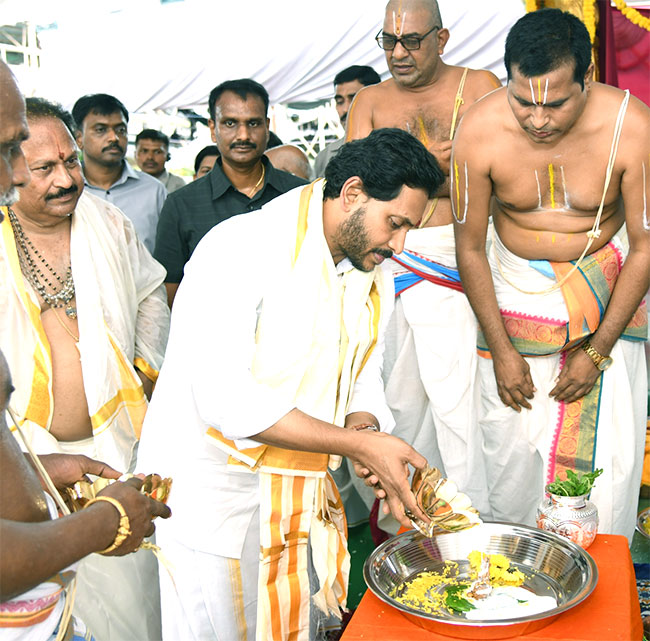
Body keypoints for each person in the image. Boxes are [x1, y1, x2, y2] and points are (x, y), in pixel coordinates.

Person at [137, 128, 444, 641]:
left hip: (296, 494)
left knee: (290, 624)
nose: (399, 244)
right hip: (216, 503)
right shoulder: (239, 248)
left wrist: (365, 433)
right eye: (395, 223)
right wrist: (357, 444)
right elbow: (225, 399)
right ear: (351, 193)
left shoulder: (372, 271)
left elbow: (363, 375)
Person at [453, 8, 649, 542]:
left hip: (608, 297)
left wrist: (598, 350)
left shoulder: (633, 127)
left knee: (608, 465)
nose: (537, 119)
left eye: (556, 103)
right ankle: (517, 579)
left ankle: (600, 592)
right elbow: (469, 247)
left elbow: (647, 244)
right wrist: (502, 349)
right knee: (511, 459)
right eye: (522, 101)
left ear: (588, 79)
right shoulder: (477, 128)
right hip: (512, 306)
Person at [0, 60, 171, 641]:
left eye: (71, 160)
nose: (67, 180)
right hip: (23, 454)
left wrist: (144, 364)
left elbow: (151, 289)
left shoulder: (107, 220)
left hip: (113, 444)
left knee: (130, 597)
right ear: (11, 168)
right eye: (44, 168)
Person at [345, 0, 501, 530]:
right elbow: (356, 184)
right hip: (388, 264)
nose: (398, 52)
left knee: (464, 406)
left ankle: (470, 519)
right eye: (388, 41)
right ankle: (408, 522)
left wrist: (437, 165)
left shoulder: (478, 85)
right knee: (398, 400)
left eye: (411, 40)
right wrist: (433, 162)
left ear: (442, 37)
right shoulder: (367, 100)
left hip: (458, 262)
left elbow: (501, 169)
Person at [153, 78, 307, 306]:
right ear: (213, 129)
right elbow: (170, 292)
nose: (243, 135)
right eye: (230, 123)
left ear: (267, 126)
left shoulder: (300, 195)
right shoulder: (181, 205)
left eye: (253, 124)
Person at [72, 93, 167, 253]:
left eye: (121, 130)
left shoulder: (154, 191)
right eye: (101, 130)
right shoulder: (68, 190)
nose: (114, 138)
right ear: (78, 138)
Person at [313, 65, 381, 178]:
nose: (345, 109)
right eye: (340, 102)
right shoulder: (325, 157)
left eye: (354, 99)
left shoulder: (397, 148)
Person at [135, 128, 186, 193]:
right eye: (144, 151)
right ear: (135, 154)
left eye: (157, 152)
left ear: (167, 155)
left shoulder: (178, 186)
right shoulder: (127, 184)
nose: (150, 157)